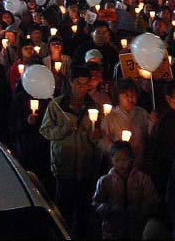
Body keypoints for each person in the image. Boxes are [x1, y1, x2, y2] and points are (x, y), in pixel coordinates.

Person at [39, 65, 101, 239]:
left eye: (85, 84)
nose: (82, 88)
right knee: (64, 209)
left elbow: (96, 137)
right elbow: (45, 131)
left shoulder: (93, 107)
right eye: (78, 83)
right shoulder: (57, 105)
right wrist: (63, 129)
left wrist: (96, 134)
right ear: (71, 83)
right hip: (64, 166)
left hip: (86, 167)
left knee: (83, 210)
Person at [92, 141, 160, 240]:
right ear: (112, 160)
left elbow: (152, 200)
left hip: (136, 229)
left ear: (131, 159)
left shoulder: (143, 179)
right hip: (112, 231)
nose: (121, 164)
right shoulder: (105, 181)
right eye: (117, 160)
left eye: (124, 160)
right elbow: (96, 202)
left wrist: (139, 211)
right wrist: (110, 209)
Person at [100, 78, 151, 171]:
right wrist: (117, 150)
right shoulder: (111, 117)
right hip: (117, 166)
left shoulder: (142, 114)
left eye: (133, 95)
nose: (130, 98)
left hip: (138, 163)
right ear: (118, 97)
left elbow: (150, 134)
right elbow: (104, 140)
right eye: (126, 95)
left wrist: (153, 122)